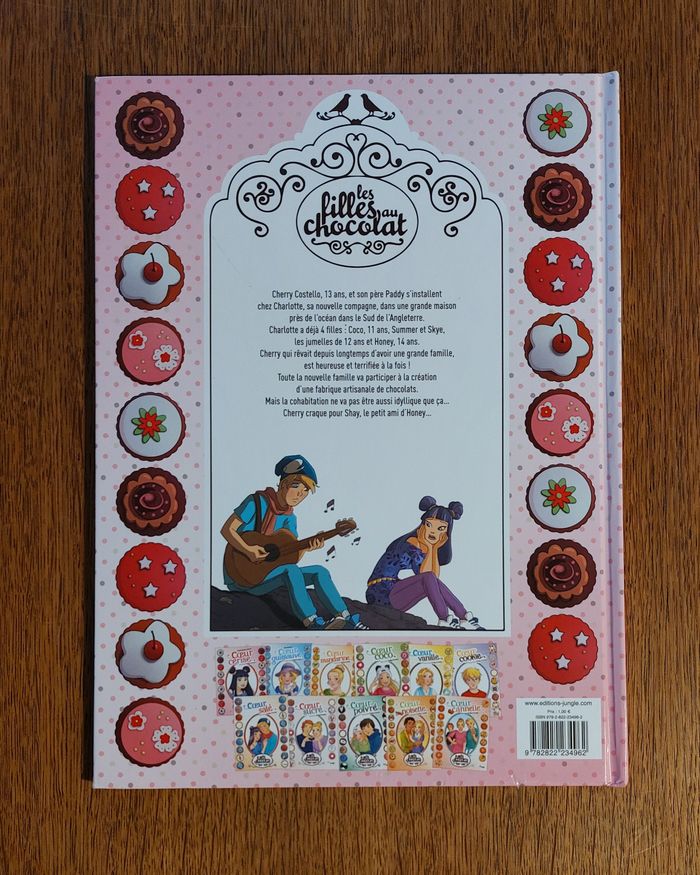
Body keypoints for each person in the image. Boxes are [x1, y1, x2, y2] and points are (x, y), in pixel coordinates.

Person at [221, 455, 367, 631]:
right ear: (284, 483)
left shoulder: (290, 518)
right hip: (241, 575)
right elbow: (227, 529)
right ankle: (312, 621)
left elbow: (287, 556)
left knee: (320, 571)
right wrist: (248, 550)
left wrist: (307, 548)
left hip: (268, 574)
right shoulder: (256, 502)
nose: (300, 494)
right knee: (291, 571)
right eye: (296, 486)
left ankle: (345, 617)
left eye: (306, 491)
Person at [366, 496, 481, 629]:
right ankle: (445, 617)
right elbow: (425, 575)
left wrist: (433, 547)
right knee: (428, 578)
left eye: (440, 528)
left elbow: (433, 580)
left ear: (446, 533)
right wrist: (431, 547)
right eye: (429, 525)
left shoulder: (426, 546)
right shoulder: (412, 543)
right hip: (380, 591)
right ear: (423, 524)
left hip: (394, 591)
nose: (433, 531)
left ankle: (463, 616)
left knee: (431, 580)